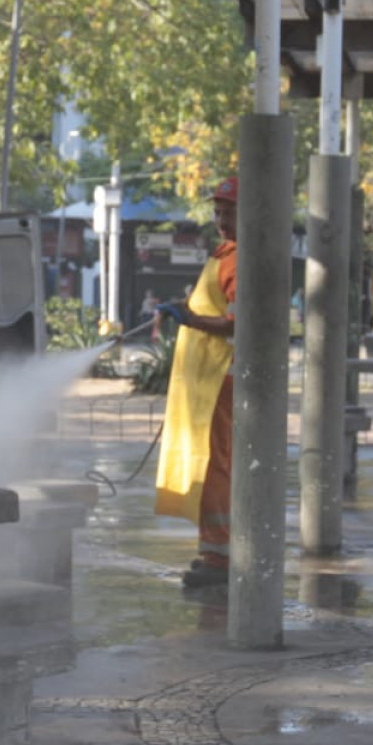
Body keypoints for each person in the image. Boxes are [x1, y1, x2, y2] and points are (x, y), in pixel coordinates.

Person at [154, 177, 239, 590]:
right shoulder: (223, 255)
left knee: (216, 465)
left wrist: (190, 319)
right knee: (211, 462)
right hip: (207, 381)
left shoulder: (240, 260)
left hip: (221, 380)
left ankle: (219, 556)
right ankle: (214, 549)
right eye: (218, 211)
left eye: (230, 212)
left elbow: (237, 322)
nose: (221, 219)